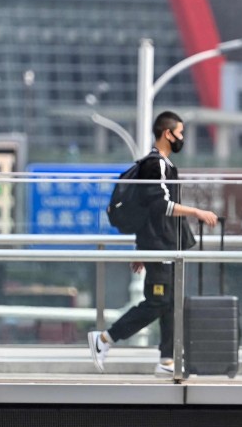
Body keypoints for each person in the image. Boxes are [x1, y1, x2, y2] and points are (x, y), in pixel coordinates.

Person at [87, 111, 218, 376]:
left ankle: (167, 360)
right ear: (167, 133)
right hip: (160, 246)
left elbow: (148, 212)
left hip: (162, 245)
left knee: (170, 301)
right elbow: (159, 205)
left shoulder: (164, 165)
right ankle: (104, 339)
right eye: (179, 133)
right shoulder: (154, 164)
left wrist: (141, 250)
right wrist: (196, 212)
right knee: (159, 300)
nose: (182, 138)